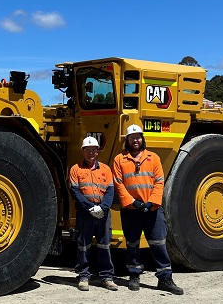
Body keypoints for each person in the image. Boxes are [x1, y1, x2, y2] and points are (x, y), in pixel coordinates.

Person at [113, 124, 183, 294]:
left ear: (142, 139)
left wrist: (152, 202)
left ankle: (165, 278)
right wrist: (133, 203)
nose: (135, 140)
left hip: (152, 209)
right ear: (127, 141)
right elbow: (118, 184)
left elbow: (159, 182)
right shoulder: (119, 159)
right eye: (132, 138)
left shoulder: (154, 158)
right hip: (131, 210)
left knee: (158, 243)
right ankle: (134, 275)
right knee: (132, 243)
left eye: (138, 137)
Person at [68, 136, 118, 291]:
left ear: (97, 152)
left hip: (103, 213)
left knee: (104, 245)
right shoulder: (75, 169)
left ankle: (107, 277)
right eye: (88, 150)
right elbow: (75, 191)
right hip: (85, 213)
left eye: (93, 150)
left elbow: (110, 191)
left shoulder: (105, 169)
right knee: (83, 245)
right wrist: (90, 207)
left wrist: (102, 208)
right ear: (83, 151)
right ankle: (83, 276)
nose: (91, 152)